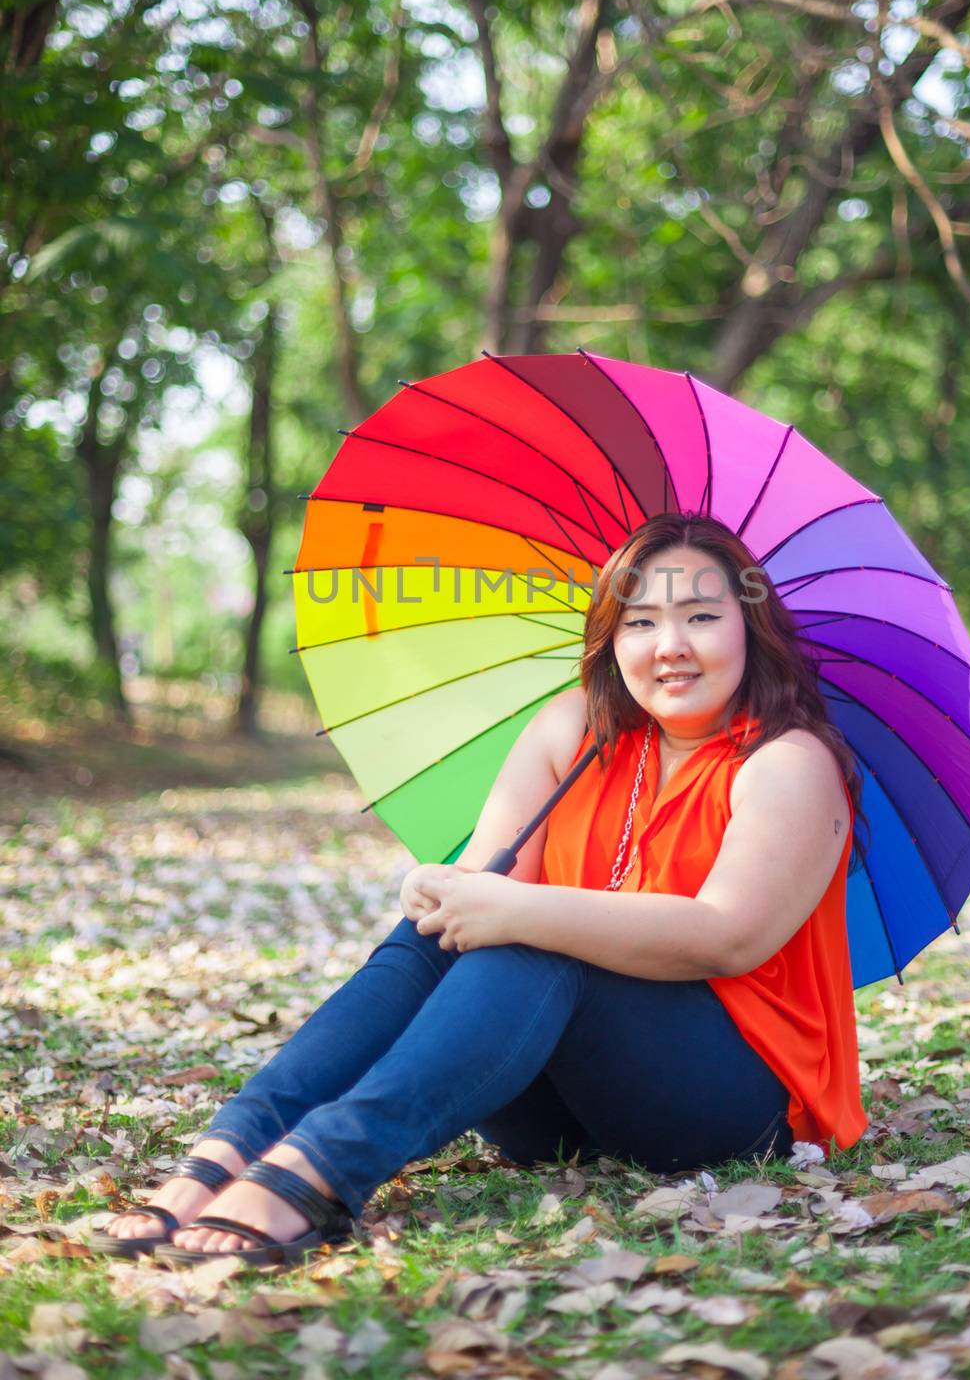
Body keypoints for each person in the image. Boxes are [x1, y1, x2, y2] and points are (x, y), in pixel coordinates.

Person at [96, 512, 868, 1265]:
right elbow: (486, 881)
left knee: (532, 942)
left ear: (749, 626)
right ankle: (228, 1149)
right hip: (556, 1102)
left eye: (700, 616)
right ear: (610, 636)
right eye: (638, 622)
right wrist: (442, 888)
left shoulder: (786, 762)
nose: (668, 647)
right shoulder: (577, 730)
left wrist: (515, 909)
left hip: (724, 1099)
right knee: (446, 932)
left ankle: (318, 1173)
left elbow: (727, 934)